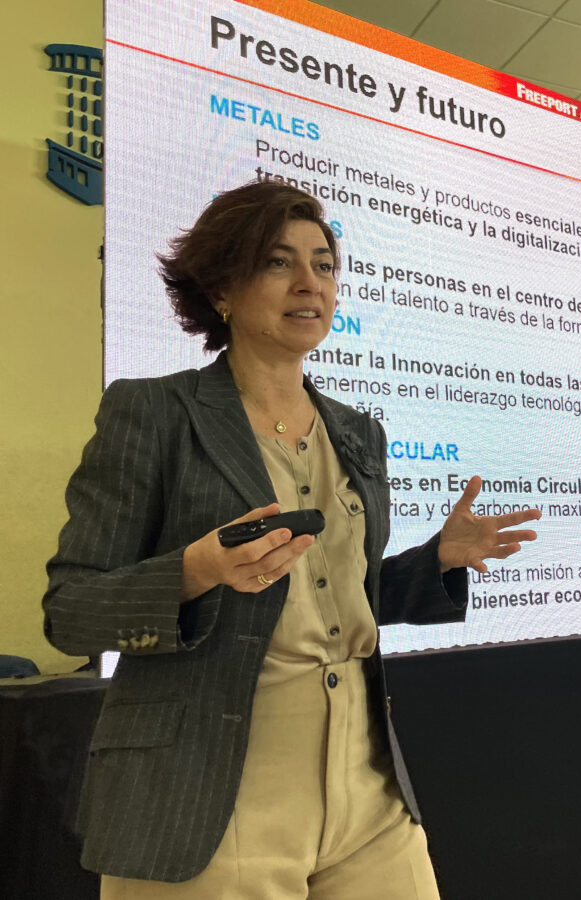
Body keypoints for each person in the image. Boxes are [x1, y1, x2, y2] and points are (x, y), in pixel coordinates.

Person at [42, 181, 540, 898]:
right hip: (209, 787)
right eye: (279, 262)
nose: (311, 283)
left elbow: (337, 596)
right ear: (222, 288)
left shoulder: (358, 432)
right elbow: (70, 611)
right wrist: (194, 570)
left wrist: (436, 561)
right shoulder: (154, 412)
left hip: (366, 783)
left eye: (324, 265)